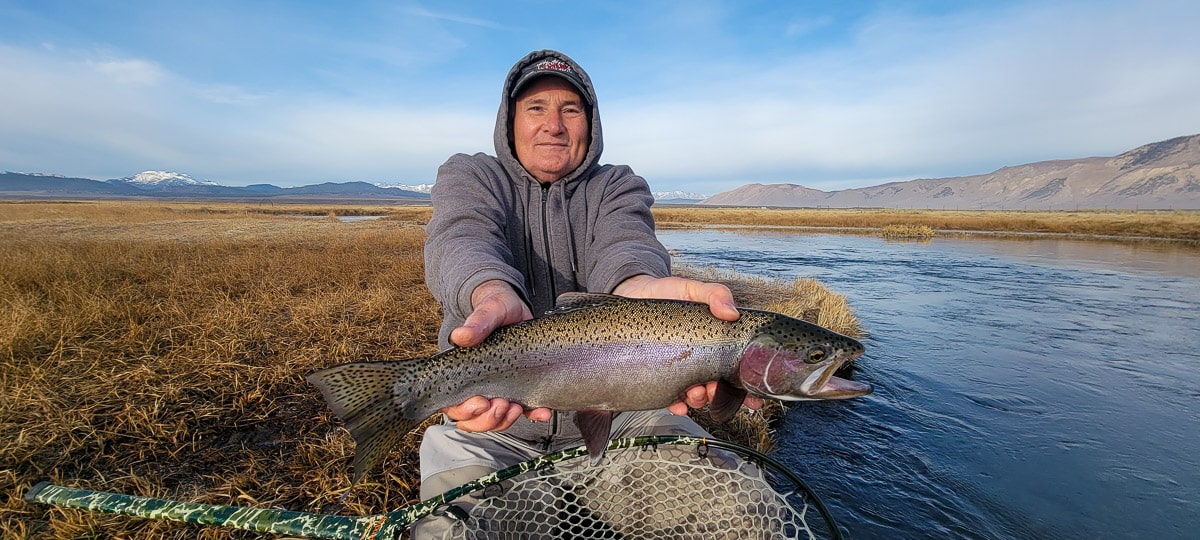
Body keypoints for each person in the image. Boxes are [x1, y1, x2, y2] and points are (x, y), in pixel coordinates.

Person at [415, 49, 762, 535]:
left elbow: (626, 245)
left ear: (591, 124)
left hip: (627, 420)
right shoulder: (471, 176)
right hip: (491, 430)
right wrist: (490, 291)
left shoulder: (617, 185)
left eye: (570, 110)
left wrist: (638, 287)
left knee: (738, 511)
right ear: (508, 121)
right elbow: (462, 238)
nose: (553, 124)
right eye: (536, 108)